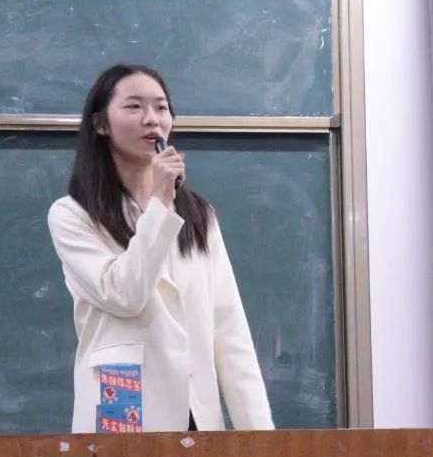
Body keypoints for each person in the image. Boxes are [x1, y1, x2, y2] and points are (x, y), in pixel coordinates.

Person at [47, 64, 274, 433]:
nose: (152, 119)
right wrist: (160, 204)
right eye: (134, 107)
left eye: (161, 107)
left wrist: (261, 437)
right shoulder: (73, 214)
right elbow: (124, 294)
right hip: (122, 401)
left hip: (195, 410)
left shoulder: (199, 216)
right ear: (101, 124)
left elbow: (229, 328)